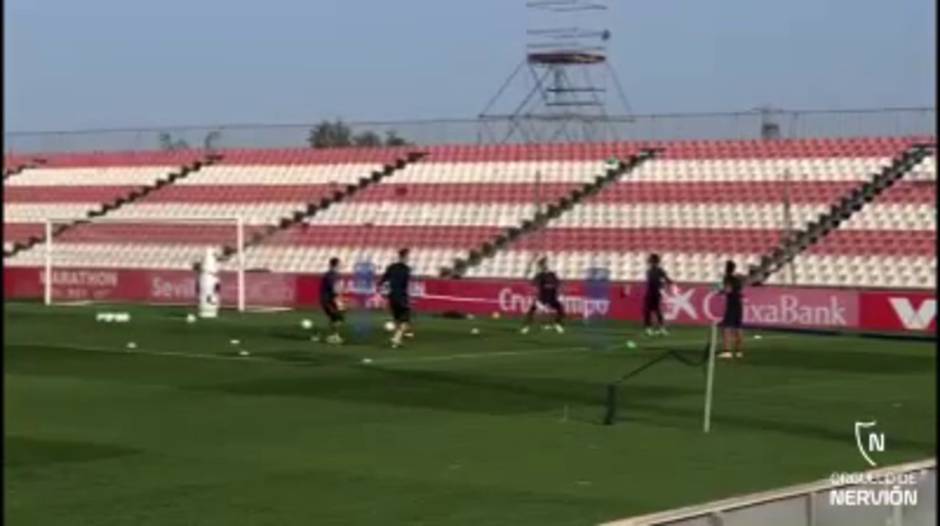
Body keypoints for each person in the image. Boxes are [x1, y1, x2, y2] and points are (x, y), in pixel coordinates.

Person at [520, 257, 565, 335]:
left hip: (552, 298)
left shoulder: (552, 274)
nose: (545, 267)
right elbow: (532, 282)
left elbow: (558, 284)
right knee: (531, 311)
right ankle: (526, 327)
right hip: (542, 298)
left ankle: (557, 324)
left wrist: (559, 293)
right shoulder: (540, 275)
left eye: (545, 265)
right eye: (543, 265)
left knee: (561, 310)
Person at [378, 248, 412, 348]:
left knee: (397, 319)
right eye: (408, 256)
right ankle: (396, 338)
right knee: (405, 320)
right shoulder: (406, 269)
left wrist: (383, 292)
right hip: (401, 296)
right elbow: (405, 285)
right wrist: (406, 297)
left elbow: (382, 280)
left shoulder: (391, 267)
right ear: (405, 256)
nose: (408, 258)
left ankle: (397, 338)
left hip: (392, 296)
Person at [718, 260, 745, 359]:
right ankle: (739, 351)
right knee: (738, 327)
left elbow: (728, 290)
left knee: (726, 327)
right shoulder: (737, 278)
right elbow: (740, 289)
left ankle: (727, 351)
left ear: (726, 268)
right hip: (739, 303)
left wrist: (720, 291)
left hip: (732, 304)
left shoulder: (727, 277)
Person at [643, 253, 673, 336]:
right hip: (650, 293)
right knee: (648, 311)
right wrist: (663, 284)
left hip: (656, 293)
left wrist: (670, 283)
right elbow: (652, 281)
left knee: (658, 311)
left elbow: (667, 279)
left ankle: (661, 328)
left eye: (653, 261)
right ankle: (648, 329)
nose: (652, 263)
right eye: (651, 261)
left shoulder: (659, 270)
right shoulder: (649, 271)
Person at [320, 257, 345, 345]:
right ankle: (334, 336)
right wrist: (340, 298)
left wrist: (340, 299)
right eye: (340, 264)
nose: (341, 265)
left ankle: (334, 335)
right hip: (327, 300)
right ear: (336, 265)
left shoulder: (336, 275)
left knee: (338, 318)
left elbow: (337, 289)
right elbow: (335, 289)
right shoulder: (331, 275)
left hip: (333, 299)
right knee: (336, 317)